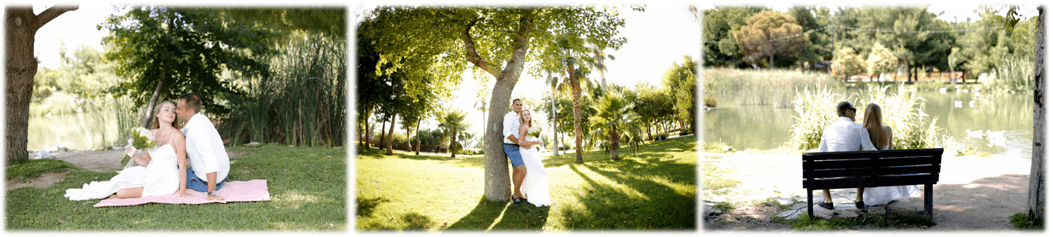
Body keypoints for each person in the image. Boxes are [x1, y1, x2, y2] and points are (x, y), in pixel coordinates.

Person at [65, 101, 189, 200]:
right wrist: (135, 157)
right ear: (158, 114)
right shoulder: (150, 134)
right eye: (166, 110)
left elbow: (182, 165)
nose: (171, 112)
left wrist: (182, 191)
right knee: (121, 177)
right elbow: (146, 161)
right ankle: (113, 191)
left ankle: (118, 193)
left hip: (165, 178)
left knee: (122, 192)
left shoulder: (178, 136)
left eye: (173, 111)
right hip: (149, 171)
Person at [816, 101, 877, 210]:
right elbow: (870, 150)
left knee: (818, 166)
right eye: (855, 111)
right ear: (848, 111)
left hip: (833, 172)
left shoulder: (828, 129)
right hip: (855, 172)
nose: (856, 114)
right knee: (863, 163)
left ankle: (828, 200)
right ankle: (859, 199)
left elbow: (820, 152)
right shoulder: (859, 128)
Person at [860, 103, 920, 206]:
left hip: (869, 171)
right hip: (886, 170)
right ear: (880, 115)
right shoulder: (888, 130)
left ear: (866, 116)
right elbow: (890, 151)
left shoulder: (862, 131)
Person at [176, 93, 231, 201]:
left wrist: (211, 193)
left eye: (179, 109)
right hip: (223, 173)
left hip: (205, 183)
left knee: (171, 179)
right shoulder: (201, 118)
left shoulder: (196, 130)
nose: (176, 111)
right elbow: (183, 132)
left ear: (190, 111)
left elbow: (210, 160)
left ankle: (211, 190)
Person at [504, 98, 539, 205]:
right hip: (510, 146)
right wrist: (519, 143)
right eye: (517, 104)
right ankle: (516, 194)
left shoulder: (520, 118)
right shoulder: (509, 116)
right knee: (523, 170)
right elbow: (506, 133)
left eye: (521, 105)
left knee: (516, 171)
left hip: (518, 146)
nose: (519, 106)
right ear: (513, 105)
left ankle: (518, 194)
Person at [517, 109, 551, 207]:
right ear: (522, 117)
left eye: (528, 114)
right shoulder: (523, 127)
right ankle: (531, 195)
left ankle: (529, 193)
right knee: (537, 172)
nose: (527, 116)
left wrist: (537, 140)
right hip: (526, 152)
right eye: (524, 115)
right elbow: (520, 142)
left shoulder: (530, 126)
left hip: (532, 151)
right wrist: (534, 143)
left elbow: (530, 139)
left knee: (536, 172)